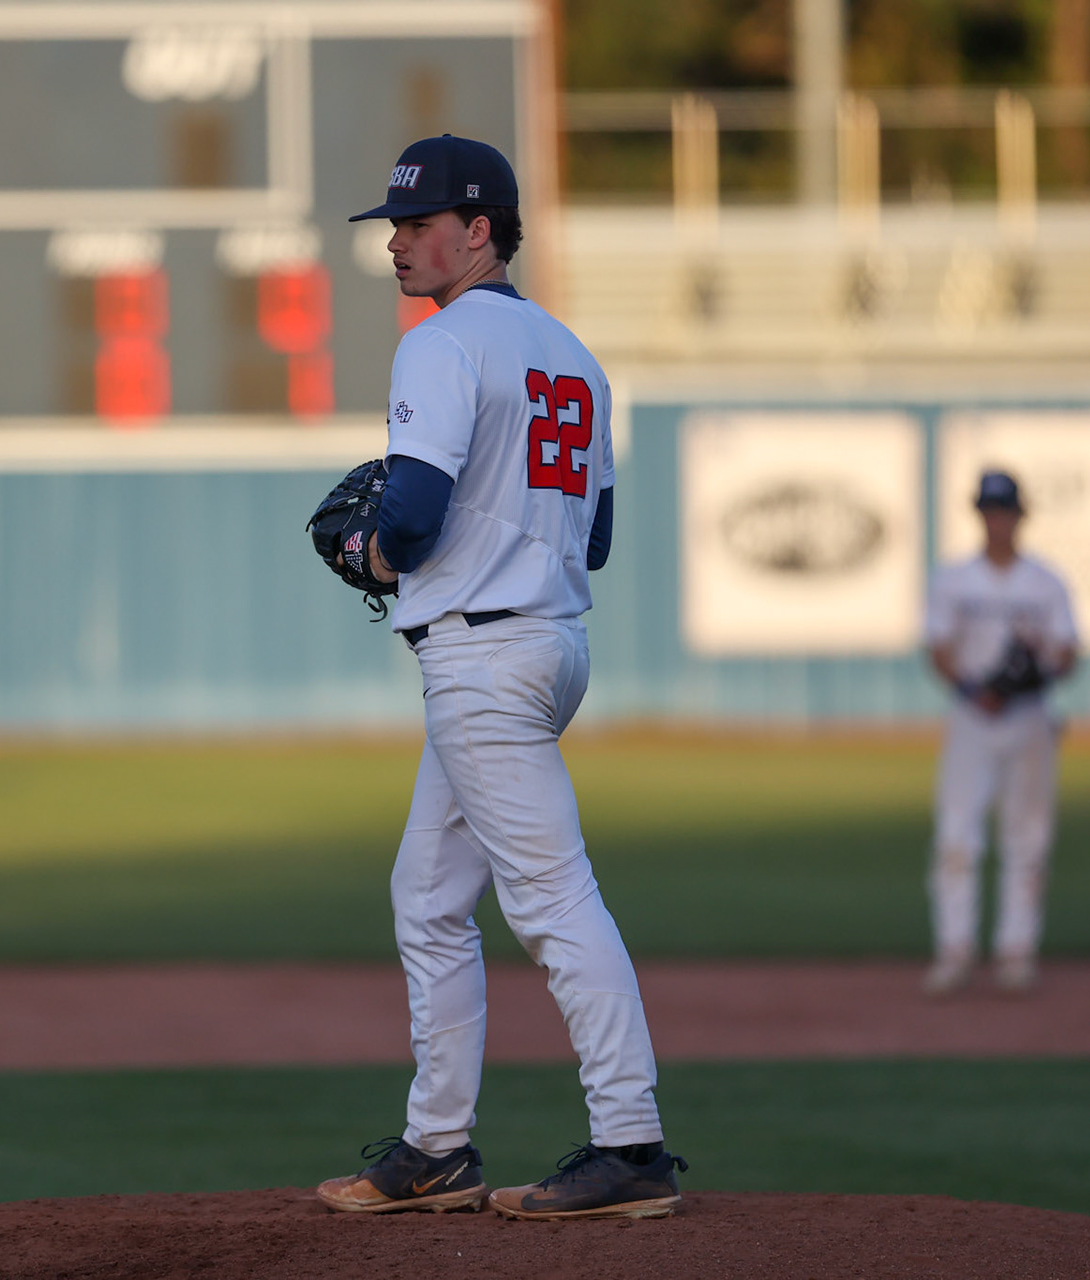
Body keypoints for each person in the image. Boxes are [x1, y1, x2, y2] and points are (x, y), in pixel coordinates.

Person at [315, 135, 683, 1221]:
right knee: (427, 897)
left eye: (420, 223)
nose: (398, 242)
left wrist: (368, 555)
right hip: (551, 640)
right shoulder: (573, 353)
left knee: (554, 899)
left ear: (481, 229)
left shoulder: (440, 345)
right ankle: (437, 1146)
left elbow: (414, 519)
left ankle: (631, 1139)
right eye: (393, 226)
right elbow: (600, 534)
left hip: (483, 654)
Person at [923, 470, 1079, 995]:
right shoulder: (956, 579)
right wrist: (975, 689)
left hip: (1028, 717)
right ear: (980, 515)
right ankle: (955, 950)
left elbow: (1067, 652)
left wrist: (1035, 671)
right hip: (972, 718)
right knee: (956, 836)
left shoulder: (1044, 581)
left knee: (1028, 837)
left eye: (1005, 510)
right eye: (989, 511)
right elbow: (939, 649)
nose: (997, 520)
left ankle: (1016, 951)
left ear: (1019, 515)